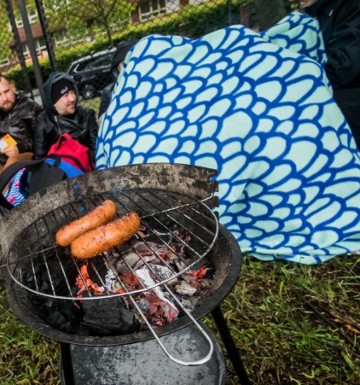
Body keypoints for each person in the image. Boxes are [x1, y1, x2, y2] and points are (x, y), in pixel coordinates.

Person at [96, 12, 360, 264]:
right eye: (123, 68)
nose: (127, 71)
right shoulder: (119, 95)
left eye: (128, 64)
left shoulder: (157, 64)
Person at [302, 0, 360, 148]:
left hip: (347, 107)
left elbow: (346, 64)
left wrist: (301, 74)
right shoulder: (314, 15)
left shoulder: (350, 7)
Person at [33, 72, 99, 160]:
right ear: (54, 102)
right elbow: (40, 158)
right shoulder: (43, 122)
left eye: (73, 93)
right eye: (66, 95)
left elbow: (97, 150)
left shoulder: (86, 115)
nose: (73, 98)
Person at [99, 40, 137, 118]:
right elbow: (102, 122)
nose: (128, 66)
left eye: (131, 61)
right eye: (124, 63)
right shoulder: (108, 92)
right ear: (117, 67)